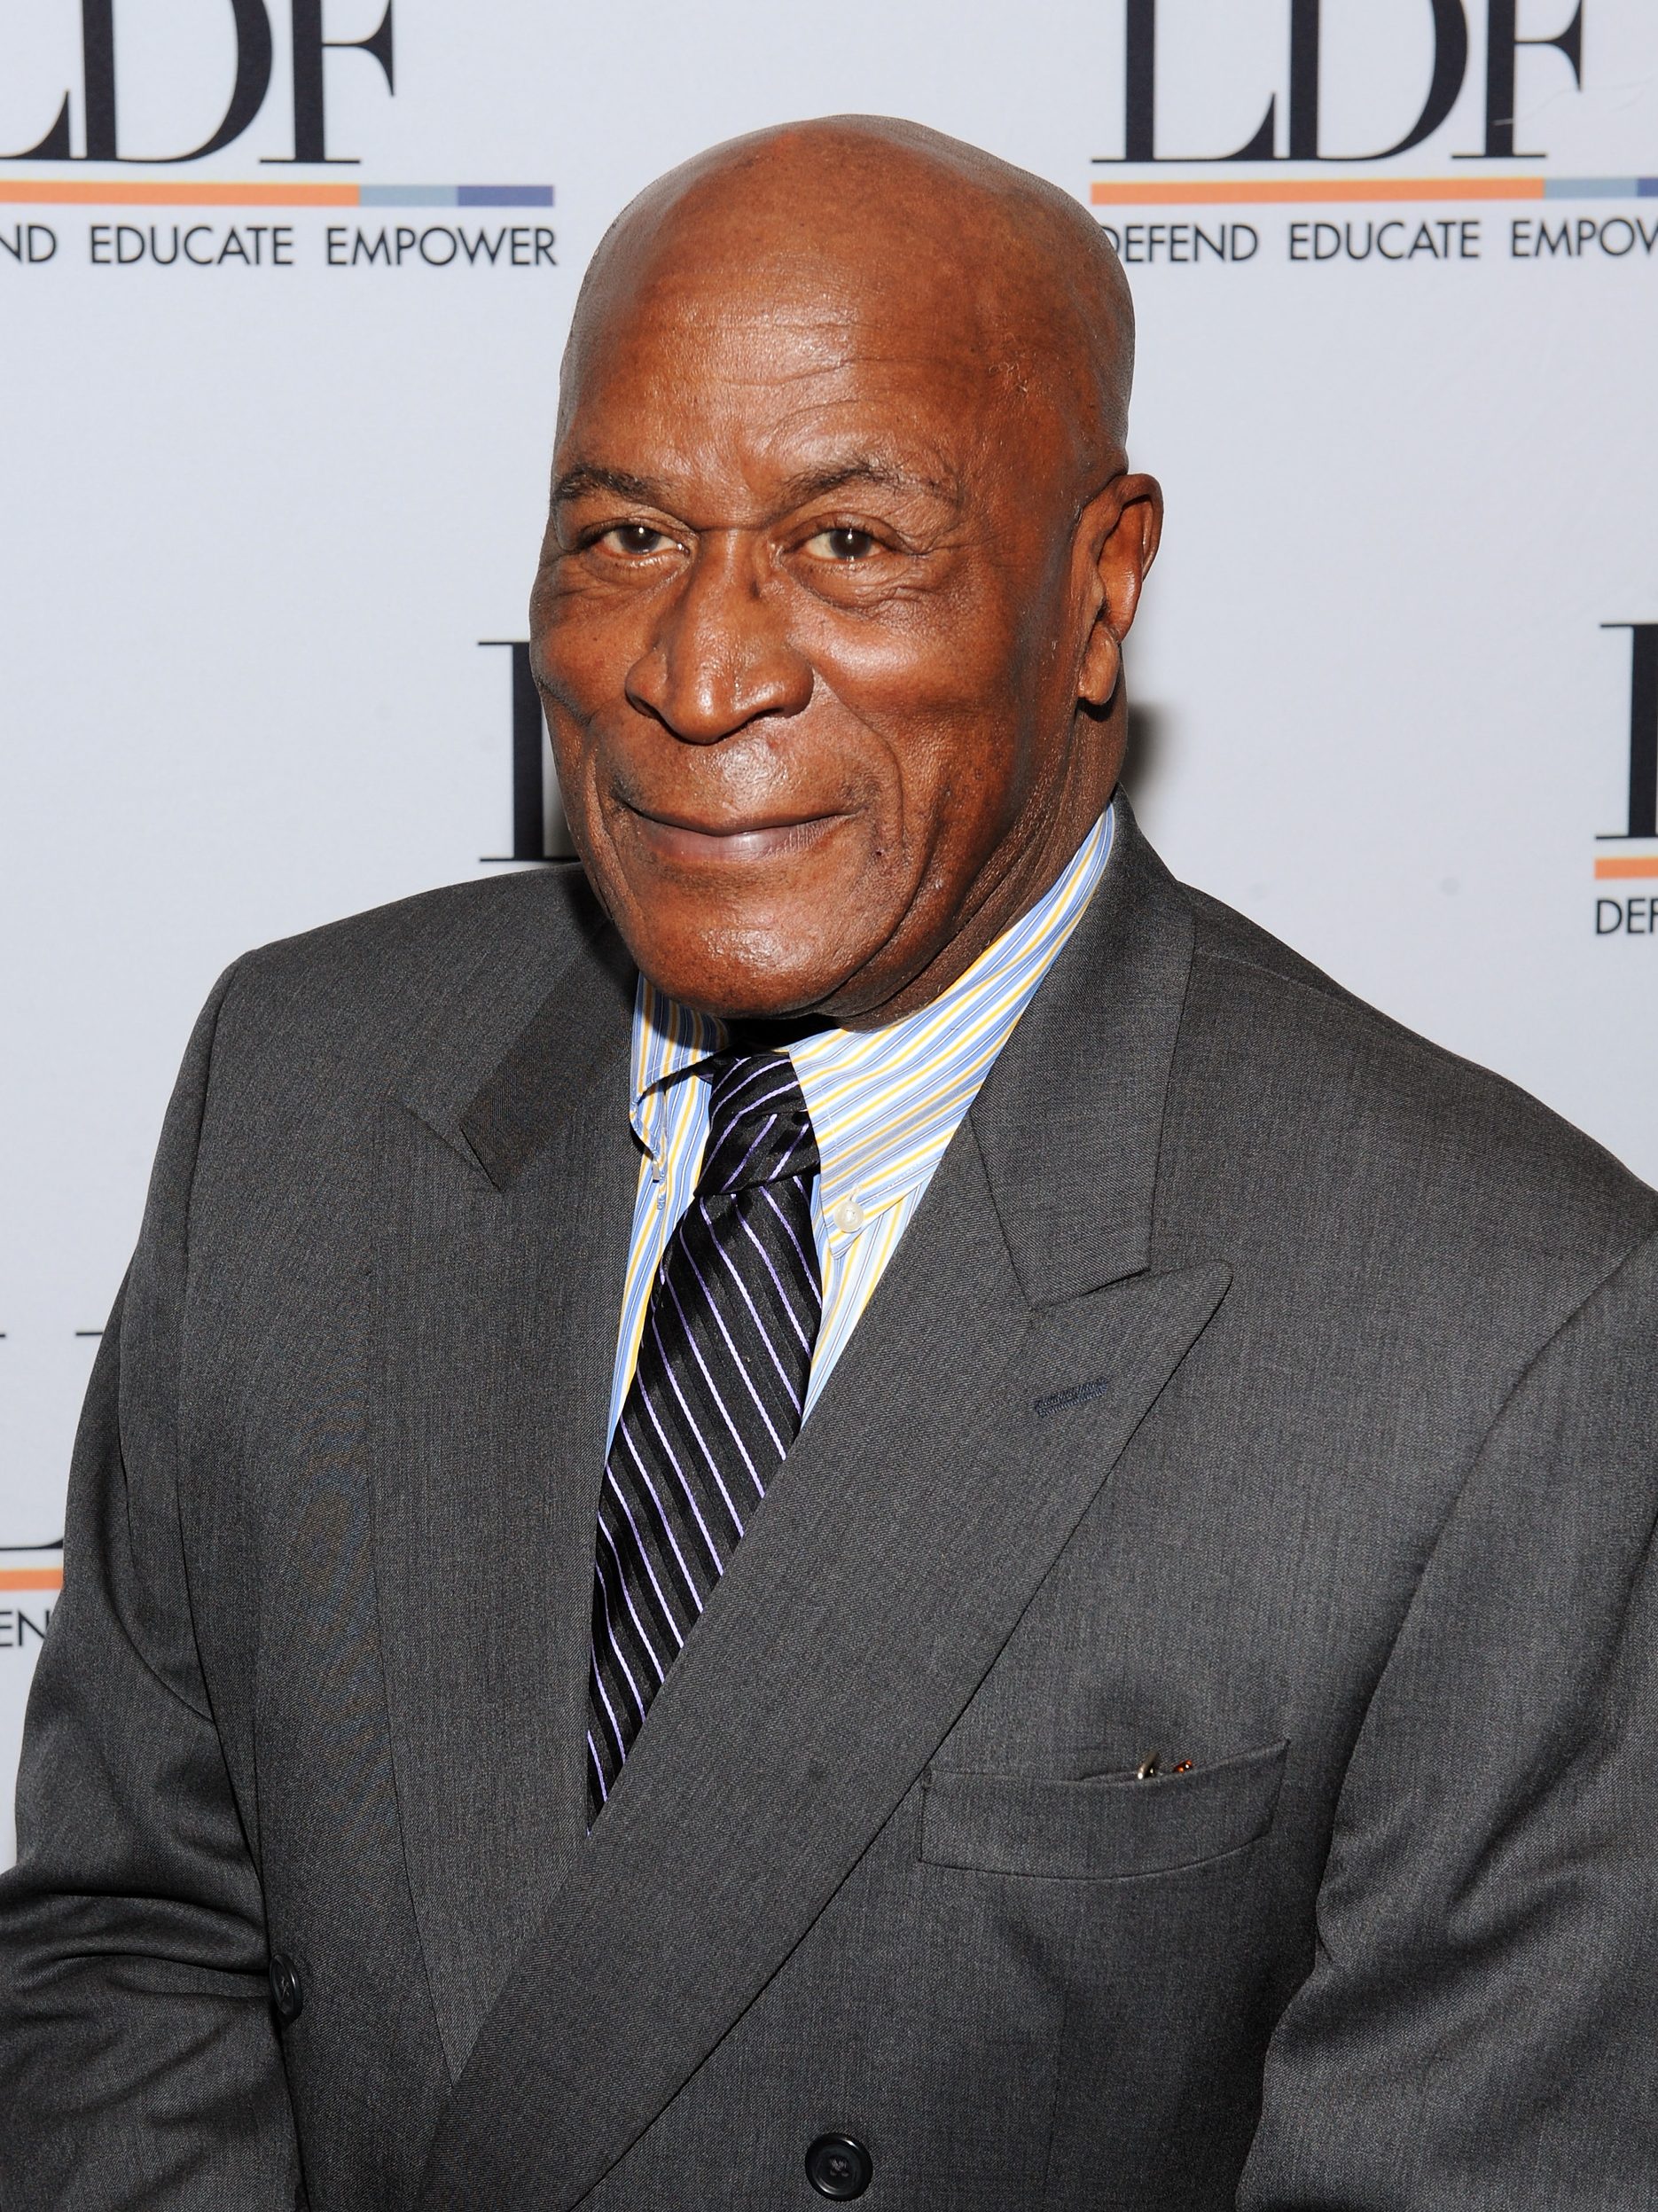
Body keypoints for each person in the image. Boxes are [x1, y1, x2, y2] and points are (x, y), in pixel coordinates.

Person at [2, 113, 1656, 2212]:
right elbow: (133, 1942)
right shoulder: (304, 1085)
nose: (698, 675)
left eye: (849, 541)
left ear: (1097, 585)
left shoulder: (1500, 1331)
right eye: (623, 534)